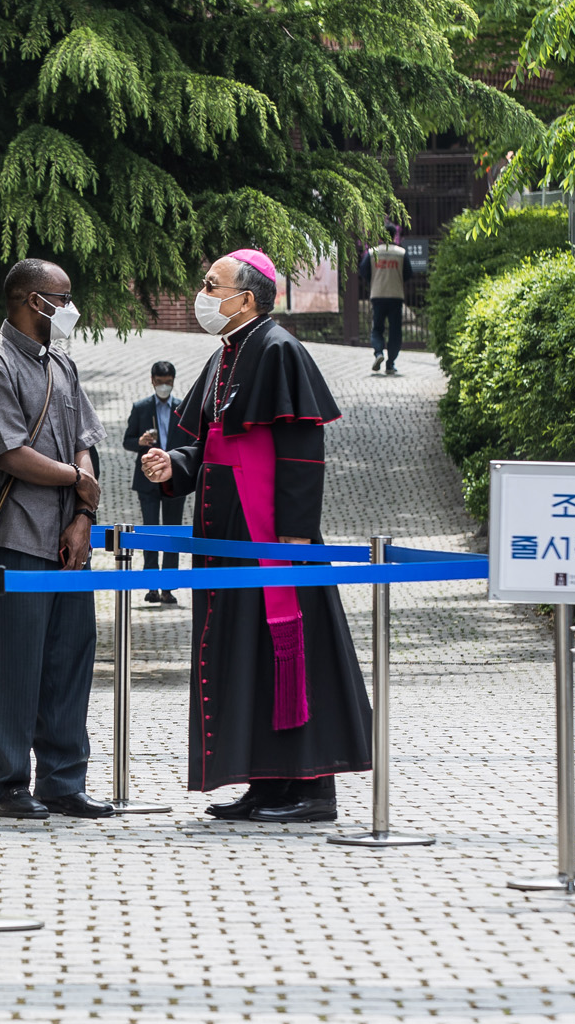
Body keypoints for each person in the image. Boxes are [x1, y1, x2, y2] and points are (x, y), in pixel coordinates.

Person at [141, 248, 374, 822]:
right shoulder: (225, 354)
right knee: (244, 653)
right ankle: (266, 783)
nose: (202, 294)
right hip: (226, 534)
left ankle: (313, 791)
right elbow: (208, 444)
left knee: (288, 650)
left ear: (245, 298)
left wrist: (293, 535)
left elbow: (302, 448)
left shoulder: (278, 348)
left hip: (268, 533)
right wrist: (174, 467)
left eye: (211, 285)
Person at [0, 258, 114, 821]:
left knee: (70, 660)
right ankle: (5, 783)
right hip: (16, 535)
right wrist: (76, 479)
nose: (70, 309)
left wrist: (84, 513)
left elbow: (84, 440)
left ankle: (63, 781)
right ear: (31, 300)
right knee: (14, 666)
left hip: (69, 536)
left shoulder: (61, 362)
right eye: (62, 298)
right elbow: (9, 453)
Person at [122, 359, 187, 601]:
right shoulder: (141, 408)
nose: (164, 387)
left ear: (173, 382)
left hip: (174, 479)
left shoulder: (182, 408)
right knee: (149, 532)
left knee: (172, 533)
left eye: (168, 382)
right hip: (147, 480)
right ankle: (151, 586)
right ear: (152, 381)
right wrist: (140, 442)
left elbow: (191, 443)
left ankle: (168, 587)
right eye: (160, 382)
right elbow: (127, 441)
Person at [359, 230, 414, 376]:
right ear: (394, 235)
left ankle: (378, 353)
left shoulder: (372, 253)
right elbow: (408, 273)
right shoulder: (401, 253)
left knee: (377, 328)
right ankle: (390, 363)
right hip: (396, 295)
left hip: (378, 294)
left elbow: (363, 271)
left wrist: (375, 280)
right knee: (395, 331)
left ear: (380, 236)